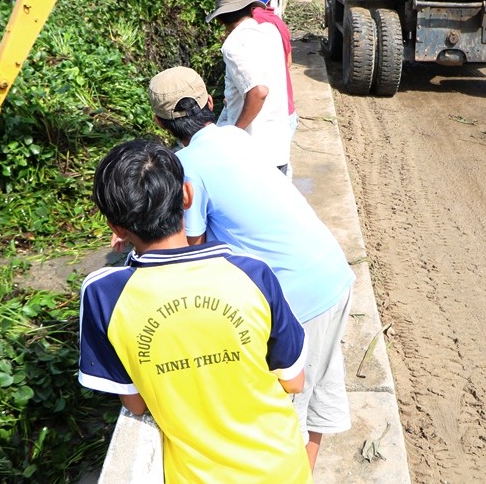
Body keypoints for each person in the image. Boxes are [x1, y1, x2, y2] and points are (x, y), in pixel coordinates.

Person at [147, 66, 355, 471]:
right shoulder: (235, 136)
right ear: (211, 104)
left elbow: (193, 250)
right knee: (316, 399)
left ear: (159, 122)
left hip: (297, 299)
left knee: (282, 419)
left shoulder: (185, 166)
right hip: (332, 272)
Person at [78, 139, 312, 483]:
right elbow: (293, 381)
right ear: (187, 196)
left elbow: (137, 405)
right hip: (282, 468)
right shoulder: (252, 273)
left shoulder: (103, 296)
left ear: (116, 228)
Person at [206, 0, 291, 172]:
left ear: (220, 20)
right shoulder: (270, 32)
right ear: (252, 9)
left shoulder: (233, 45)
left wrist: (236, 133)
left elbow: (258, 91)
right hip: (278, 145)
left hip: (254, 153)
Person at [241, 0, 297, 173]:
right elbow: (288, 62)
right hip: (287, 110)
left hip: (266, 118)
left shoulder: (249, 25)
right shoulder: (278, 23)